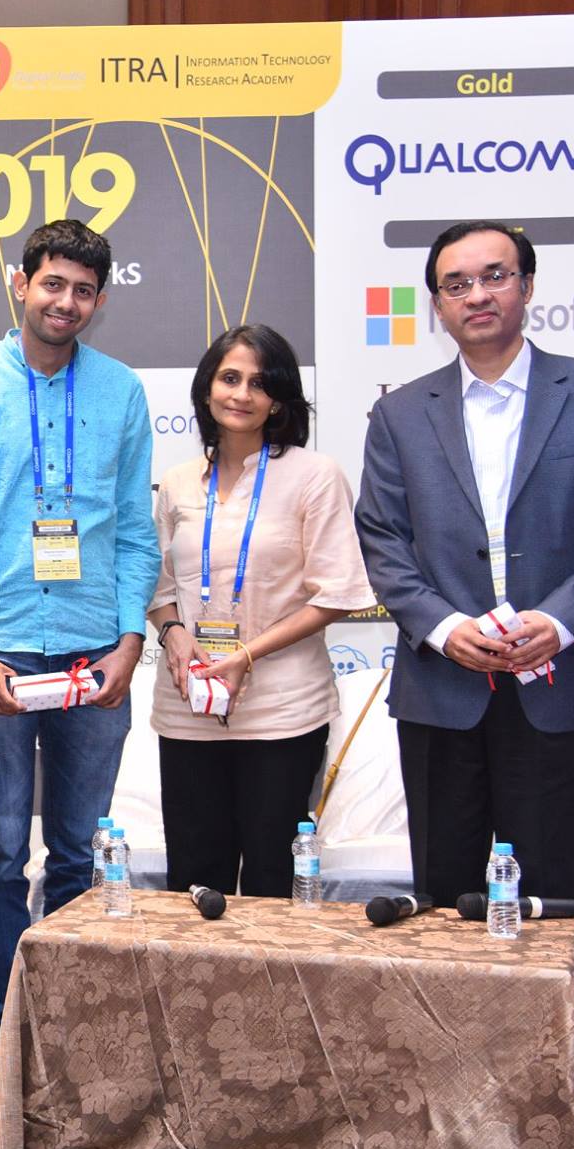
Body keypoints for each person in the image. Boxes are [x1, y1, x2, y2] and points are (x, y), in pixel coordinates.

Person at [356, 220, 574, 907]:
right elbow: (382, 536)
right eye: (456, 284)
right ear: (438, 306)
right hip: (443, 685)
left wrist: (561, 620)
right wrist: (443, 628)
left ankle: (551, 992)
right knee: (443, 902)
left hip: (557, 678)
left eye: (495, 276)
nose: (477, 294)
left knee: (546, 901)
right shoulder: (399, 414)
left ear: (526, 287)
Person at [0, 219, 157, 1051]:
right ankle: (5, 1031)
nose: (66, 302)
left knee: (77, 851)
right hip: (0, 647)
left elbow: (135, 530)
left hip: (97, 650)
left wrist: (131, 642)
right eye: (53, 283)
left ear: (99, 300)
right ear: (21, 283)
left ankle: (61, 1031)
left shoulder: (120, 390)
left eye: (83, 290)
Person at [145, 325, 376, 895]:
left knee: (274, 882)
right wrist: (173, 634)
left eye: (260, 383)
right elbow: (158, 586)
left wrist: (246, 654)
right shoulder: (177, 482)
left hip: (283, 712)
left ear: (279, 400)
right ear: (206, 388)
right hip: (189, 706)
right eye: (229, 378)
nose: (242, 394)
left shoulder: (315, 475)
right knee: (195, 882)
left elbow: (336, 593)